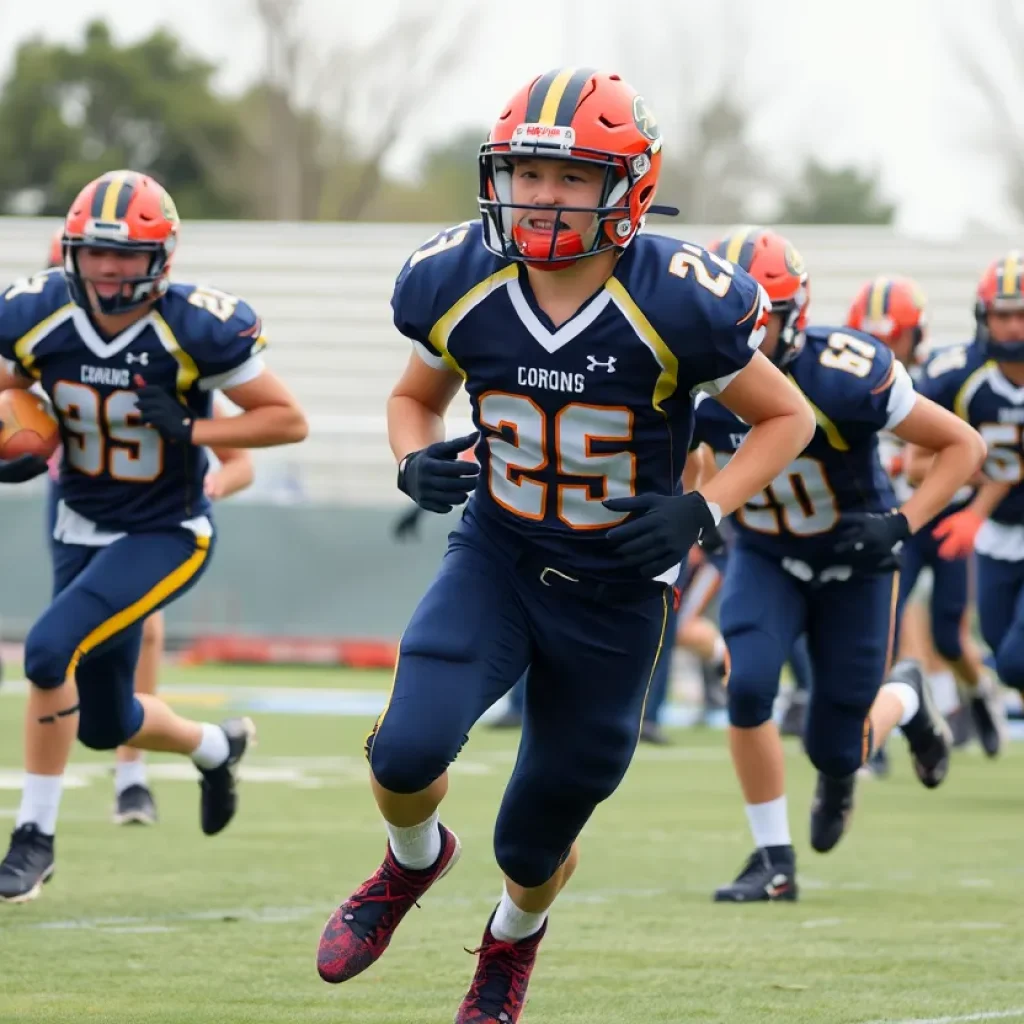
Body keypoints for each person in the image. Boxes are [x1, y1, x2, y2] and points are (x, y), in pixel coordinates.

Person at [316, 68, 816, 1022]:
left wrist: (701, 513)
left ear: (627, 185)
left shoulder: (678, 298)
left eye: (570, 178)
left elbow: (785, 420)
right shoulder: (458, 277)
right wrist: (412, 457)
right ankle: (409, 864)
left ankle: (511, 939)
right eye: (525, 174)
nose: (540, 198)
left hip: (618, 589)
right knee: (406, 749)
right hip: (497, 556)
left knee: (535, 839)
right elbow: (412, 398)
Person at [0, 169, 307, 903]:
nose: (110, 268)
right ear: (70, 252)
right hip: (79, 522)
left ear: (162, 257)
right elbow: (9, 385)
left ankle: (33, 838)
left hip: (166, 531)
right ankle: (215, 746)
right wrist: (18, 428)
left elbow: (287, 420)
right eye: (96, 252)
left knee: (47, 650)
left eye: (128, 254)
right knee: (108, 724)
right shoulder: (33, 312)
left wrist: (196, 429)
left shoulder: (197, 324)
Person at [691, 227, 985, 904]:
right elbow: (687, 457)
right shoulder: (695, 379)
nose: (737, 335)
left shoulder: (846, 376)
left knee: (837, 749)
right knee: (748, 687)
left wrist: (901, 524)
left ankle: (907, 696)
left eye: (755, 320)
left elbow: (962, 446)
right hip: (766, 553)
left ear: (793, 318)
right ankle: (774, 859)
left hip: (854, 560)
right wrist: (696, 505)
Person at [41, 232, 258, 824]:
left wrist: (205, 467)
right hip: (76, 506)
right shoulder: (45, 341)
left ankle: (122, 781)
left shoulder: (173, 346)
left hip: (155, 519)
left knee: (80, 644)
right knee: (92, 699)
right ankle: (210, 747)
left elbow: (243, 456)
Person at [847, 275, 1004, 763]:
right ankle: (873, 733)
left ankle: (979, 691)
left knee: (948, 635)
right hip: (891, 521)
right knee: (880, 625)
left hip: (944, 517)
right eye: (874, 335)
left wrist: (904, 465)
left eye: (894, 335)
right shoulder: (841, 378)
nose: (883, 346)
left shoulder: (937, 377)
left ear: (916, 335)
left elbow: (948, 460)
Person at [908, 252, 1024, 711]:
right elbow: (916, 461)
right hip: (997, 534)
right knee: (1000, 648)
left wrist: (978, 501)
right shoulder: (958, 374)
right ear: (984, 318)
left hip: (989, 518)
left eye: (1021, 315)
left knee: (1016, 661)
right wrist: (968, 474)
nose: (1013, 326)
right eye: (1003, 315)